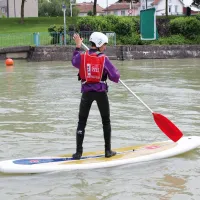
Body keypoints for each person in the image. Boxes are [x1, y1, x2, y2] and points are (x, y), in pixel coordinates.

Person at [71, 32, 120, 160]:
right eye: (104, 44)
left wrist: (77, 47)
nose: (105, 47)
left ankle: (78, 153)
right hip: (100, 93)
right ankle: (108, 151)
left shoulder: (82, 56)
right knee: (106, 121)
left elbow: (74, 62)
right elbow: (115, 77)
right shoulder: (104, 59)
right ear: (98, 44)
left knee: (81, 122)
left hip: (86, 93)